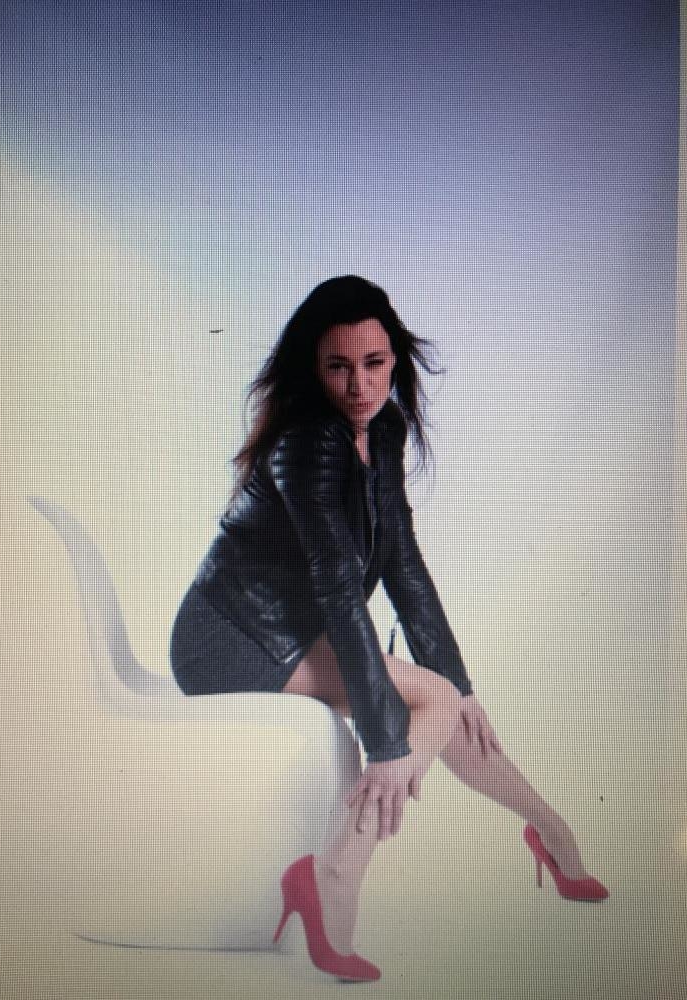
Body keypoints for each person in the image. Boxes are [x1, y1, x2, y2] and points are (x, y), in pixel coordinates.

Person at [169, 275, 608, 982]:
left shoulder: (384, 430)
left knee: (447, 701)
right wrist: (384, 745)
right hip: (230, 639)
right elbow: (338, 589)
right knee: (429, 705)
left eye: (374, 363)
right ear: (314, 369)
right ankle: (335, 875)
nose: (359, 386)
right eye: (338, 366)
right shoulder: (305, 444)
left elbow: (403, 561)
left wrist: (460, 683)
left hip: (299, 631)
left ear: (395, 360)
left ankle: (547, 832)